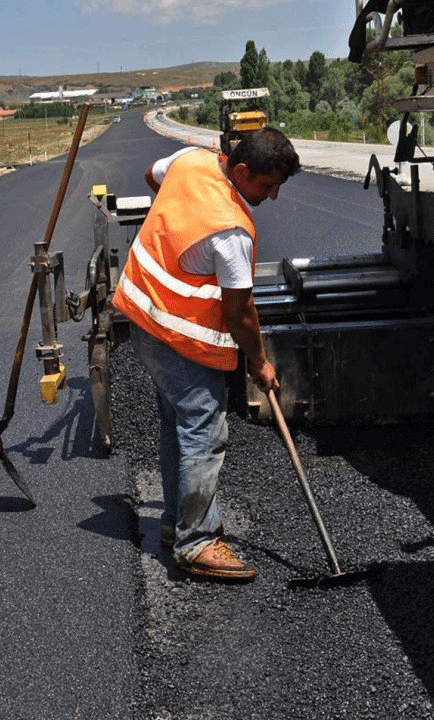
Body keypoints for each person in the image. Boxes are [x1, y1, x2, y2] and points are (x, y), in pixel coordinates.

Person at [113, 127, 301, 580]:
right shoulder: (231, 231)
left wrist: (178, 211)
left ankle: (177, 523)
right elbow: (240, 314)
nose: (272, 197)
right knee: (203, 428)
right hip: (178, 335)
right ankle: (196, 542)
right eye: (266, 185)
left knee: (175, 422)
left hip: (141, 316)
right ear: (240, 169)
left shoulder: (192, 160)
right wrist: (259, 363)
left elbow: (150, 173)